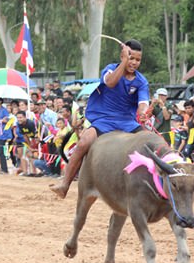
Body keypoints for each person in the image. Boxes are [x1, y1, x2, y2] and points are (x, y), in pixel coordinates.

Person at [50, 39, 149, 198]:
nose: (134, 62)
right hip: (104, 120)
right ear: (122, 55)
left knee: (152, 142)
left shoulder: (141, 81)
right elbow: (110, 83)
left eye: (138, 60)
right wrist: (123, 62)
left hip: (128, 122)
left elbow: (143, 103)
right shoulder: (110, 69)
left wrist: (143, 112)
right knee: (83, 142)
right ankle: (65, 184)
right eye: (131, 58)